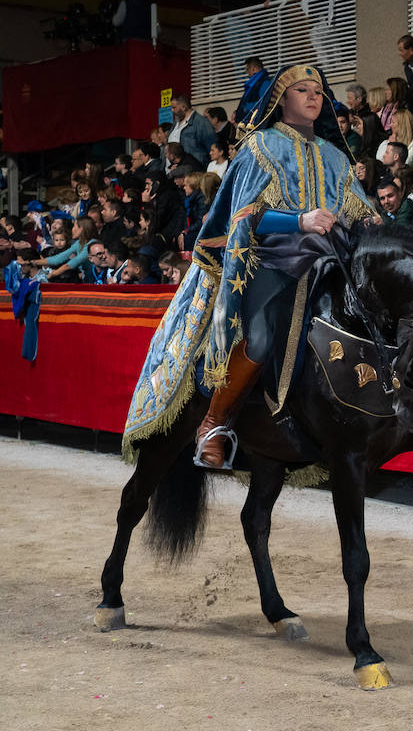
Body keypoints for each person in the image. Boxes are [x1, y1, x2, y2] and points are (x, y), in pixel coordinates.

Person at [129, 65, 380, 470]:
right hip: (269, 260)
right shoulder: (260, 146)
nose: (313, 96)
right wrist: (300, 220)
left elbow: (359, 209)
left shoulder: (336, 156)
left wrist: (375, 224)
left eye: (318, 91)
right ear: (281, 99)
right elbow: (243, 216)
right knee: (260, 338)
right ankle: (214, 423)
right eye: (302, 90)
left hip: (328, 260)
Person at [168, 96, 217, 166]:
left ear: (184, 107)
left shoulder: (201, 123)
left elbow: (212, 148)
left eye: (174, 107)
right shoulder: (176, 123)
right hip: (174, 169)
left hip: (193, 168)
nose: (172, 110)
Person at [235, 57, 271, 125]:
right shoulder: (253, 83)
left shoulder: (265, 82)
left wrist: (246, 108)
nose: (246, 72)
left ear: (254, 68)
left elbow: (264, 103)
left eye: (248, 69)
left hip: (256, 124)